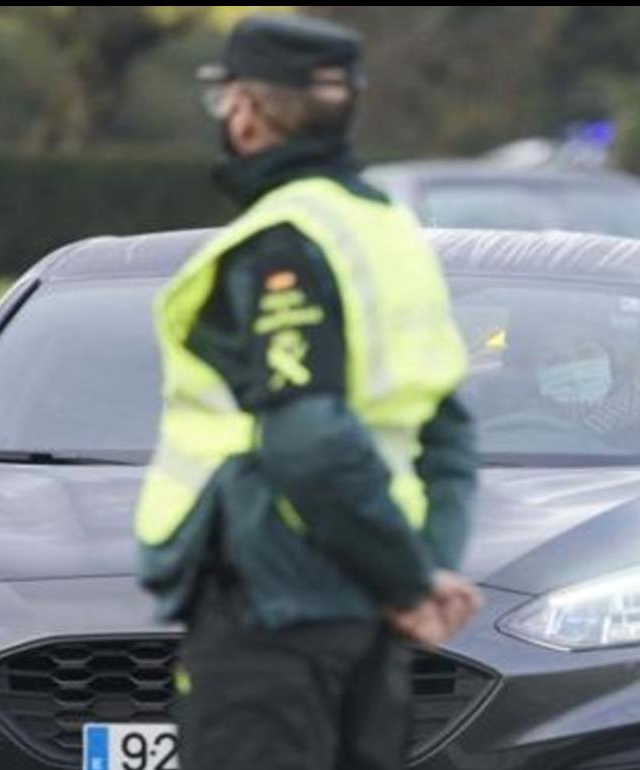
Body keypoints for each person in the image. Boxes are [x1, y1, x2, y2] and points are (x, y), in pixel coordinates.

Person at [133, 14, 481, 770]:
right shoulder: (390, 232)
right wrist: (424, 571)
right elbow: (449, 434)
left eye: (224, 100)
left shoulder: (281, 241)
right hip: (369, 618)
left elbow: (309, 437)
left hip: (272, 611)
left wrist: (409, 579)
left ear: (249, 114)